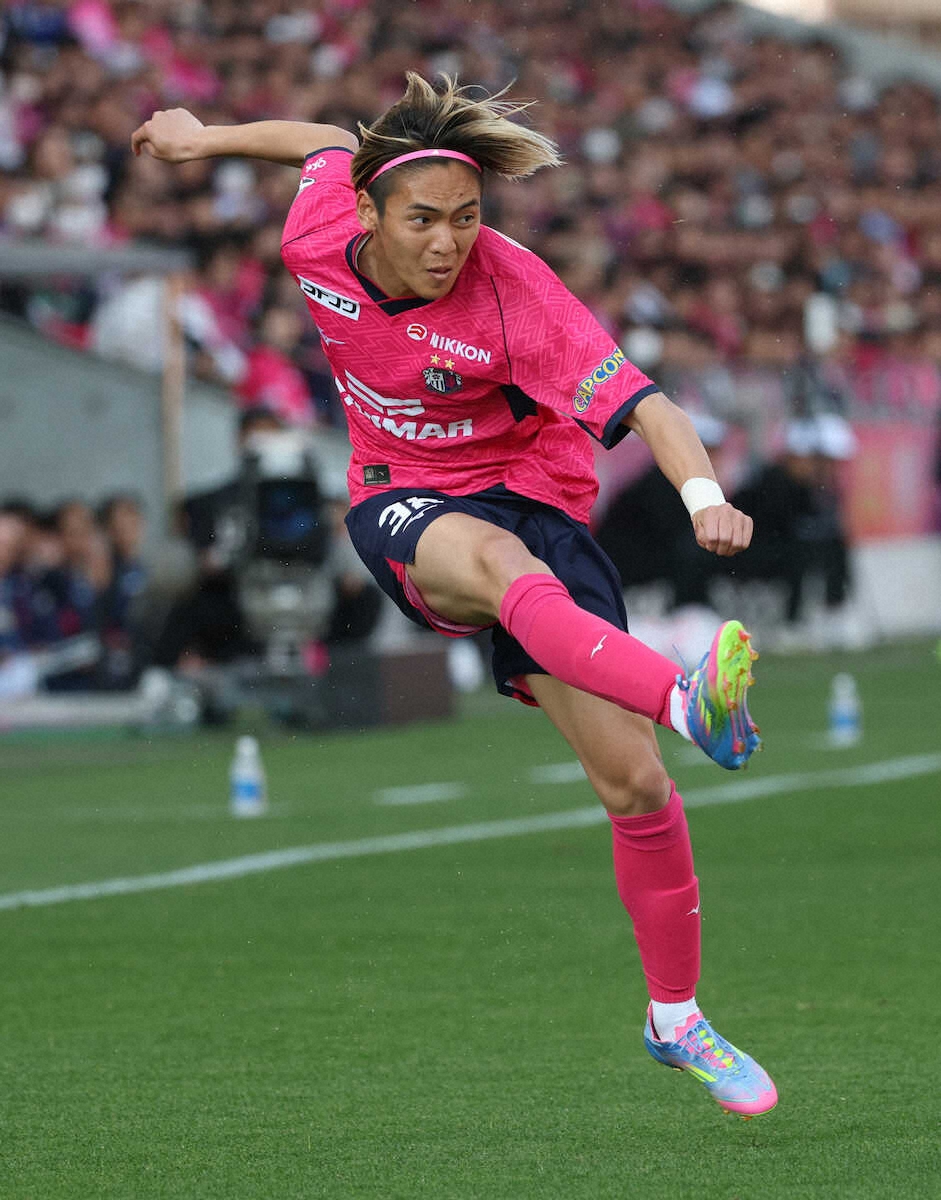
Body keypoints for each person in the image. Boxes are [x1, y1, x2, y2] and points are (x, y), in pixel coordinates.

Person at [132, 75, 775, 1118]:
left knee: (636, 789)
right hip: (405, 502)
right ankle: (680, 693)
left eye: (466, 219)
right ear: (369, 211)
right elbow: (319, 141)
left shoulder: (514, 292)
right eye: (424, 220)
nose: (447, 242)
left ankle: (674, 1021)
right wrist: (203, 140)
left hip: (542, 501)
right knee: (496, 571)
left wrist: (703, 494)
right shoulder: (316, 232)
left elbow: (649, 406)